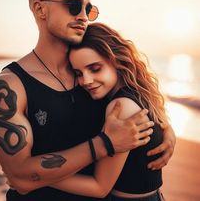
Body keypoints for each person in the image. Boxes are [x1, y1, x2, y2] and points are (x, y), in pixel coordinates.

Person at [0, 0, 175, 200]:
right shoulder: (9, 87)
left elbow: (133, 95)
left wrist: (164, 129)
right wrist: (105, 143)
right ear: (40, 8)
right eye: (73, 6)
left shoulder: (91, 74)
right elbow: (19, 174)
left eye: (88, 9)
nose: (83, 16)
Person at [49, 22, 169, 200]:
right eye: (78, 73)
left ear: (117, 60)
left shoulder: (121, 107)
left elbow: (99, 187)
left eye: (95, 68)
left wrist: (39, 178)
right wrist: (168, 130)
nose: (86, 81)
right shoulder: (139, 92)